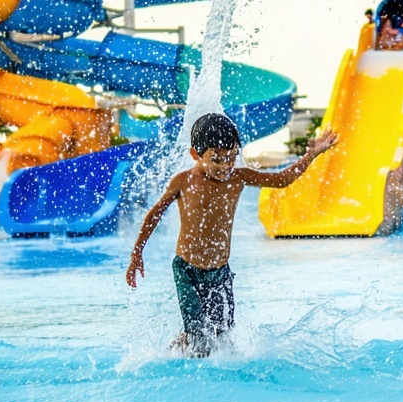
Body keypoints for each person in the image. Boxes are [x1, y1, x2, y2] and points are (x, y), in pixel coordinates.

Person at [126, 113, 339, 356]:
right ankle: (182, 361)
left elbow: (282, 180)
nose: (225, 166)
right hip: (187, 271)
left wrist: (311, 154)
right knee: (200, 342)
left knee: (221, 337)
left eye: (231, 158)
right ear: (195, 154)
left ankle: (179, 344)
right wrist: (137, 255)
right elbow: (154, 214)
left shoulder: (239, 177)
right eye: (216, 159)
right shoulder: (183, 182)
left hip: (220, 273)